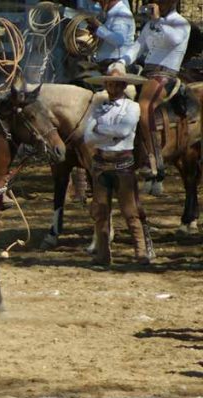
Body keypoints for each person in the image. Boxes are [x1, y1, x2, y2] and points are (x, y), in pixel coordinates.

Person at [83, 62, 154, 266]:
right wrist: (108, 134)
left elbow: (123, 131)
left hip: (123, 163)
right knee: (100, 211)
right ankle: (103, 254)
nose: (112, 88)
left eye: (116, 84)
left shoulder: (132, 107)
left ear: (123, 85)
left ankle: (141, 251)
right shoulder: (98, 107)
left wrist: (100, 130)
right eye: (109, 84)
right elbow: (88, 137)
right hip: (102, 162)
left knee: (130, 210)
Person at [125, 0, 190, 189]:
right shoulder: (151, 24)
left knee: (144, 107)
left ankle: (154, 162)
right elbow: (138, 46)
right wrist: (121, 62)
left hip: (165, 73)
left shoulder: (180, 22)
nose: (156, 3)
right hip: (145, 72)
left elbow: (174, 40)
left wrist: (158, 21)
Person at [85, 0, 134, 72]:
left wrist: (98, 28)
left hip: (114, 64)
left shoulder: (121, 13)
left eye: (101, 1)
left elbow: (118, 40)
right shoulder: (114, 13)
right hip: (108, 63)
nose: (99, 3)